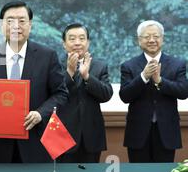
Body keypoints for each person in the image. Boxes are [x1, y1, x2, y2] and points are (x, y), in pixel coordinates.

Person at [0, 1, 68, 163]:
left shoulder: (47, 56)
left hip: (36, 141)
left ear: (30, 25)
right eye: (10, 20)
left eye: (21, 21)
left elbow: (60, 94)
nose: (16, 26)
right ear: (1, 25)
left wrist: (40, 113)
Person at [119, 20, 188, 162]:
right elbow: (125, 96)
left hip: (167, 131)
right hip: (138, 132)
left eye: (156, 36)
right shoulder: (128, 66)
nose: (151, 40)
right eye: (146, 37)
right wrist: (143, 76)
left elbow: (183, 91)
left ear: (162, 39)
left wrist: (160, 81)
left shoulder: (177, 64)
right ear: (139, 40)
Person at [58, 23, 113, 163]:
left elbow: (106, 94)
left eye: (82, 38)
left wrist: (87, 76)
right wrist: (69, 72)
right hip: (62, 135)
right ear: (64, 44)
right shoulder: (54, 65)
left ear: (88, 42)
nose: (77, 43)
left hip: (91, 135)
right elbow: (53, 93)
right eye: (72, 38)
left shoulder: (100, 66)